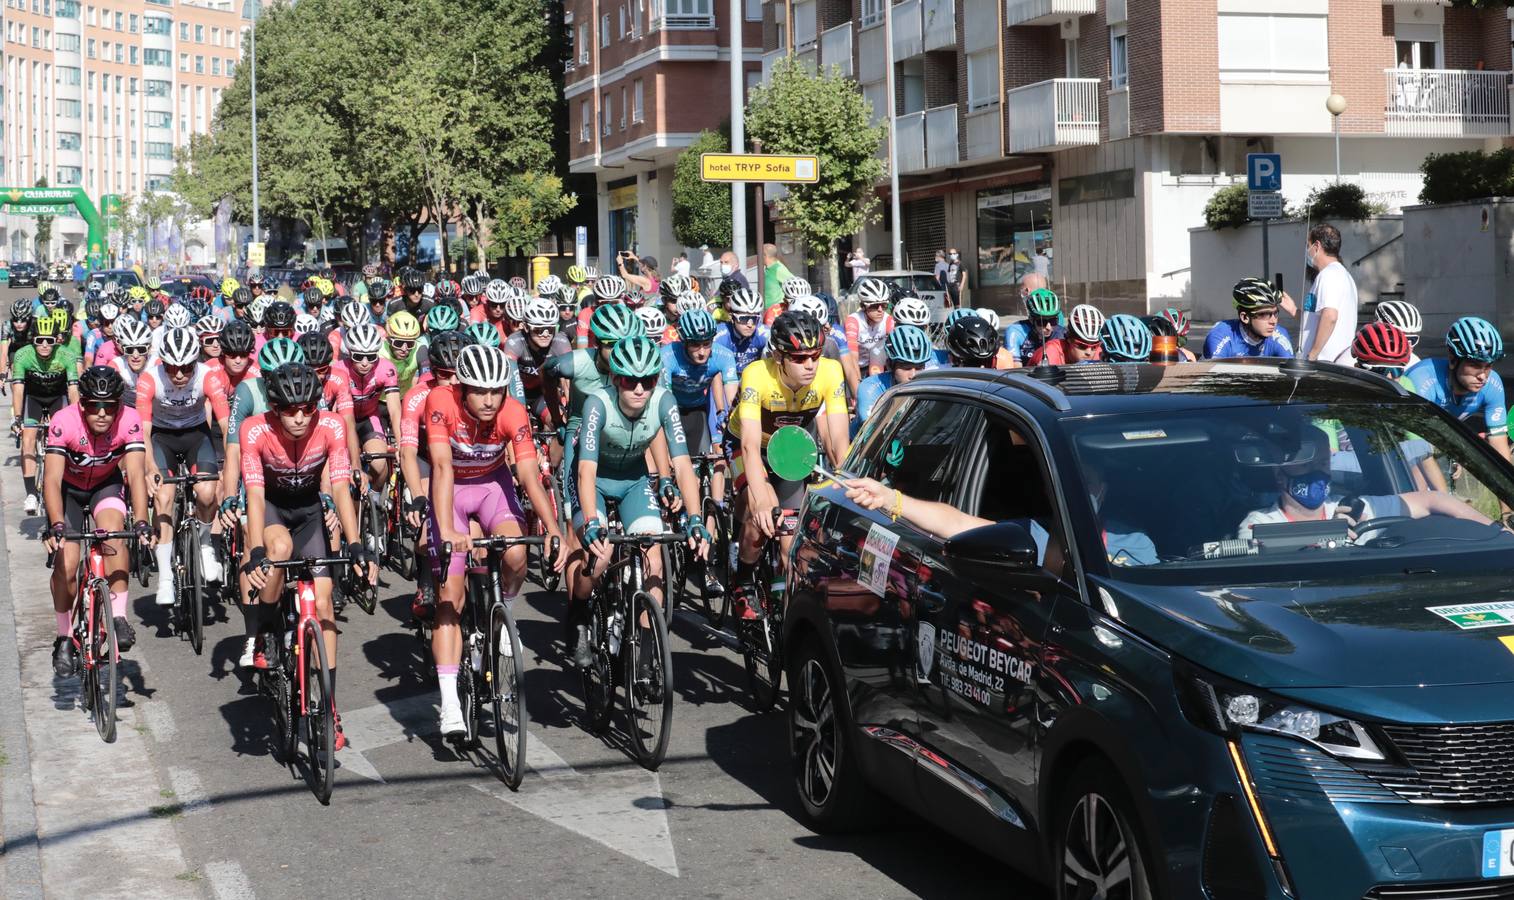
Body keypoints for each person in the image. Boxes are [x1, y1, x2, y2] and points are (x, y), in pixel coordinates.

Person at [426, 344, 566, 735]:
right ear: (463, 388)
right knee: (450, 597)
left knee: (517, 552)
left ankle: (504, 611)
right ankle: (450, 701)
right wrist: (448, 531)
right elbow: (439, 465)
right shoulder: (441, 400)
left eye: (497, 391)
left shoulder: (513, 410)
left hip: (491, 487)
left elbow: (525, 473)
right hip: (450, 490)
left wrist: (553, 529)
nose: (489, 401)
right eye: (480, 392)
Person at [240, 363, 374, 749]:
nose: (300, 418)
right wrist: (255, 552)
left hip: (310, 512)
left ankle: (329, 706)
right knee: (278, 552)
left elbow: (340, 486)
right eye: (289, 410)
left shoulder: (331, 427)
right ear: (275, 406)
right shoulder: (255, 429)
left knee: (325, 600)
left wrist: (354, 542)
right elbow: (253, 495)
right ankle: (265, 633)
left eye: (307, 408)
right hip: (273, 509)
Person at [569, 336, 710, 670]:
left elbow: (683, 466)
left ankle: (645, 655)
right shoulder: (597, 404)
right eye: (630, 381)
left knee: (654, 559)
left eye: (646, 381)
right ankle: (578, 615)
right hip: (594, 480)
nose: (638, 389)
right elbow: (585, 472)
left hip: (633, 480)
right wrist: (591, 522)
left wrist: (695, 518)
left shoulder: (665, 401)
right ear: (617, 379)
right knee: (600, 558)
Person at [728, 312, 848, 617]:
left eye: (815, 355)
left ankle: (787, 614)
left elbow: (839, 444)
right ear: (779, 357)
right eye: (799, 357)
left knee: (789, 540)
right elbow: (750, 446)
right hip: (750, 448)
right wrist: (761, 501)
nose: (810, 365)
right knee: (763, 516)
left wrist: (847, 488)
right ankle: (742, 579)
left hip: (790, 451)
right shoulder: (757, 375)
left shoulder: (831, 372)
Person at [43, 367, 152, 674]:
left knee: (115, 535)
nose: (102, 413)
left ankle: (118, 616)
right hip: (68, 491)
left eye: (110, 406)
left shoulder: (129, 420)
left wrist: (142, 522)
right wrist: (57, 525)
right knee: (67, 565)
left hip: (105, 485)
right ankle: (64, 636)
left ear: (120, 405)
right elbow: (50, 480)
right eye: (94, 405)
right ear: (82, 405)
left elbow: (138, 477)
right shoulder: (63, 422)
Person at [1234, 424, 1490, 539]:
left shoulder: (1351, 508)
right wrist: (1327, 533)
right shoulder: (1259, 523)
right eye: (1307, 465)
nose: (1318, 472)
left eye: (1323, 464)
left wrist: (1497, 530)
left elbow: (1434, 500)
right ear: (1280, 475)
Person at [138, 327, 230, 605]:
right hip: (161, 437)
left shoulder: (207, 377)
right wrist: (149, 467)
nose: (179, 374)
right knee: (164, 497)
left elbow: (226, 426)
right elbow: (142, 431)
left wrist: (228, 468)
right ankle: (165, 577)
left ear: (196, 362)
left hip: (195, 436)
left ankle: (204, 544)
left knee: (206, 492)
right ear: (162, 363)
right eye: (172, 367)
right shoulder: (149, 378)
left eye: (186, 368)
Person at [1407, 316, 1510, 461]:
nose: (1483, 376)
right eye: (1475, 365)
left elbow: (1499, 444)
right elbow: (1413, 447)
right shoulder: (1421, 379)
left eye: (1488, 366)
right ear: (1452, 359)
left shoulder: (1492, 383)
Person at [1298, 223, 1358, 362]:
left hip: (1324, 364)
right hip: (1330, 363)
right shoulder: (1342, 274)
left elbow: (1330, 316)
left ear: (1317, 246)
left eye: (1308, 245)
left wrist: (1312, 356)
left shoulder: (1329, 275)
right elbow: (1316, 318)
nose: (1307, 250)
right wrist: (1292, 310)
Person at [856, 325, 933, 425]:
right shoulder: (869, 387)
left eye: (919, 367)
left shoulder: (930, 383)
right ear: (889, 365)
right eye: (906, 367)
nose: (913, 375)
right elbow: (872, 434)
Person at [1203, 278, 1296, 359]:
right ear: (1245, 317)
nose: (1273, 321)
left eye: (1275, 313)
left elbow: (1292, 375)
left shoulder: (1279, 336)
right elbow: (1215, 377)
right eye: (1264, 314)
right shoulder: (1220, 335)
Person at [844, 279, 895, 375]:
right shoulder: (853, 321)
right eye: (875, 306)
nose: (880, 310)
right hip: (858, 366)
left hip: (879, 367)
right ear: (863, 306)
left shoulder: (888, 320)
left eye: (884, 305)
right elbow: (852, 358)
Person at [713, 287, 769, 370]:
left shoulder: (764, 334)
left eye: (754, 319)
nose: (750, 324)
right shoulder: (719, 336)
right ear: (732, 317)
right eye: (743, 318)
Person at [1031, 303, 1104, 365]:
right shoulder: (1050, 353)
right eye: (1082, 346)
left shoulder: (1099, 352)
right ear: (1069, 339)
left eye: (1094, 347)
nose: (1089, 352)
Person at [1006, 288, 1064, 365]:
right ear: (1031, 320)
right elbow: (1015, 368)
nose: (1049, 327)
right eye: (1042, 322)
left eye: (1053, 321)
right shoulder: (1016, 331)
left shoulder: (1062, 333)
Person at [1372, 299, 1423, 367]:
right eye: (1400, 339)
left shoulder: (1415, 362)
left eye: (1413, 339)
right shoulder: (1356, 358)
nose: (1408, 347)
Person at [761, 243, 793, 313]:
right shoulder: (767, 268)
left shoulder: (778, 268)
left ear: (764, 255)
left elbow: (794, 284)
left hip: (776, 312)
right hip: (766, 311)